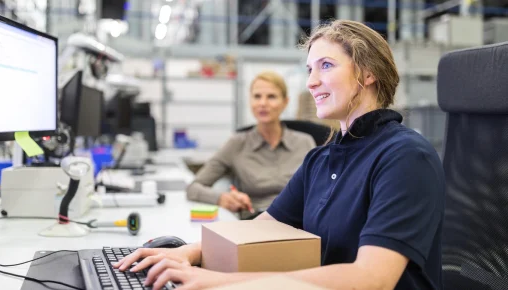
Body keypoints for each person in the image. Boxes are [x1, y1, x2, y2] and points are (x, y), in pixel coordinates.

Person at [114, 20, 445, 290]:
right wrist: (189, 251)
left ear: (368, 73)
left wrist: (224, 281)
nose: (312, 82)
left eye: (326, 66)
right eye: (309, 70)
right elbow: (264, 227)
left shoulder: (405, 157)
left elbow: (371, 279)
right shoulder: (322, 159)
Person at [186, 71, 316, 218]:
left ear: (285, 102)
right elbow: (193, 188)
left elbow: (320, 190)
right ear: (250, 101)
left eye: (271, 97)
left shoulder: (305, 142)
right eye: (257, 96)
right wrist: (222, 198)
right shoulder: (236, 144)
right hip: (257, 220)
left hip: (300, 220)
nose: (263, 103)